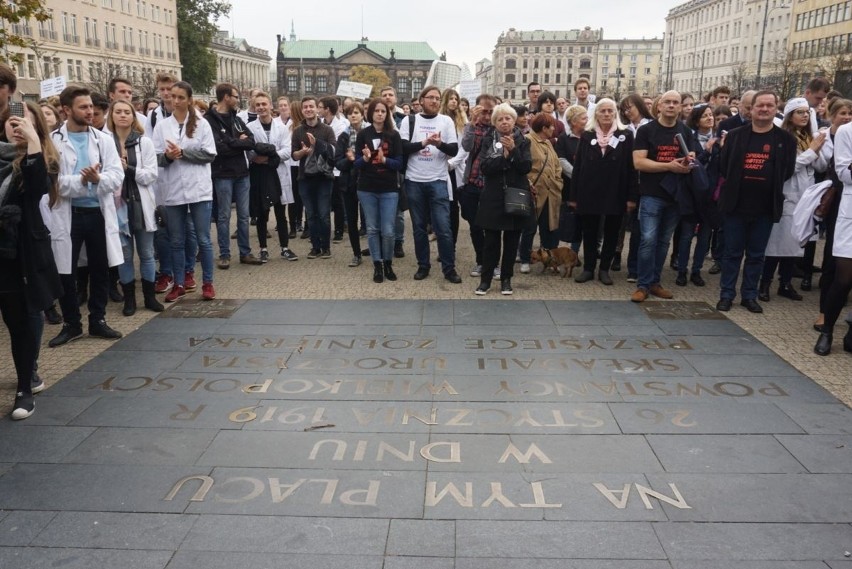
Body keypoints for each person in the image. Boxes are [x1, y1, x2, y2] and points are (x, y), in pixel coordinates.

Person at [47, 86, 125, 347]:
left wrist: (98, 179)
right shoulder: (53, 140)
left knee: (100, 268)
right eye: (83, 107)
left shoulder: (103, 139)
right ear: (66, 110)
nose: (90, 111)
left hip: (98, 214)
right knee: (66, 271)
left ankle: (98, 320)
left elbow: (116, 176)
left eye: (91, 106)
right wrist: (85, 182)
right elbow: (53, 182)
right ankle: (72, 324)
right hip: (68, 214)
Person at [1, 104, 63, 419]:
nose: (16, 124)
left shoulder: (43, 159)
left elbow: (38, 186)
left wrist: (33, 143)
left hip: (17, 254)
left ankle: (25, 387)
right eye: (11, 119)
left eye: (23, 119)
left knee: (20, 324)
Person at [715, 90, 797, 313]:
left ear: (776, 109)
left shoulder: (786, 140)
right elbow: (724, 166)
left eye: (769, 106)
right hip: (736, 205)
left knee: (756, 255)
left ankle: (749, 295)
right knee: (732, 253)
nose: (764, 109)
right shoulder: (735, 136)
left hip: (765, 207)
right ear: (751, 109)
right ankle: (726, 294)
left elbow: (787, 171)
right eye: (760, 105)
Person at [152, 81, 218, 302]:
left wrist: (183, 153)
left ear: (189, 99)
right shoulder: (162, 126)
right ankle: (179, 283)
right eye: (172, 96)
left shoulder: (202, 124)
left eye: (181, 97)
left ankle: (207, 282)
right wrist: (169, 157)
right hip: (173, 190)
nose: (176, 101)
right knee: (177, 240)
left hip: (199, 189)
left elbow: (210, 154)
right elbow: (155, 158)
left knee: (203, 239)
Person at [631, 90, 697, 303]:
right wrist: (669, 166)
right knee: (648, 240)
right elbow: (639, 162)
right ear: (658, 106)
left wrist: (688, 162)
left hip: (676, 195)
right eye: (666, 102)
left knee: (663, 242)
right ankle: (642, 284)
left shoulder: (686, 132)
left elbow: (693, 160)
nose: (671, 105)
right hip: (652, 194)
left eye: (675, 102)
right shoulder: (646, 130)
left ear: (680, 107)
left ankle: (654, 282)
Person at [759, 98, 828, 302]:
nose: (805, 115)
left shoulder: (809, 137)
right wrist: (811, 151)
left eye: (807, 112)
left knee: (796, 243)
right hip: (786, 194)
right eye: (800, 112)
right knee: (777, 243)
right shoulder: (782, 138)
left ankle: (786, 283)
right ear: (790, 115)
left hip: (805, 197)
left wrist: (817, 147)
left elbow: (821, 167)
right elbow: (787, 169)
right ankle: (765, 283)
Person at [570, 98, 635, 285]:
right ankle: (589, 268)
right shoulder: (587, 135)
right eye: (603, 111)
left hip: (616, 191)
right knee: (589, 232)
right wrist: (574, 197)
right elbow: (578, 167)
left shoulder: (626, 135)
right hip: (589, 191)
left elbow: (631, 168)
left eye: (610, 111)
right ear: (596, 114)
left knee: (612, 232)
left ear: (615, 113)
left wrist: (631, 197)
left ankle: (604, 269)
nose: (606, 114)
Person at [399, 85, 462, 283]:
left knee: (443, 227)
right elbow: (403, 148)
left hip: (438, 180)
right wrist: (424, 143)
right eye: (430, 98)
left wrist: (438, 144)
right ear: (422, 100)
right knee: (418, 227)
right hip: (414, 180)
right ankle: (423, 265)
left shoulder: (446, 121)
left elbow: (453, 149)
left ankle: (449, 268)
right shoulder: (410, 121)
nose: (434, 101)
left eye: (437, 98)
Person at [108, 100, 163, 316]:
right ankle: (129, 299)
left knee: (147, 253)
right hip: (117, 206)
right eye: (118, 112)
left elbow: (150, 175)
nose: (122, 115)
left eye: (127, 112)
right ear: (111, 116)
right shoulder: (105, 142)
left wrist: (128, 169)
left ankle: (149, 297)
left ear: (133, 116)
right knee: (125, 254)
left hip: (141, 203)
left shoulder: (144, 143)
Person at [473, 103, 531, 296]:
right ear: (495, 122)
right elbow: (485, 167)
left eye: (508, 118)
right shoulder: (488, 139)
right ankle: (486, 280)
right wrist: (504, 158)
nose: (504, 122)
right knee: (491, 242)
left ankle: (506, 279)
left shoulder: (523, 140)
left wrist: (513, 151)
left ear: (514, 121)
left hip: (515, 194)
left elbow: (525, 167)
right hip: (493, 196)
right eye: (500, 119)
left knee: (512, 241)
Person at [206, 82, 261, 268]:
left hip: (242, 173)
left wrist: (233, 143)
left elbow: (251, 141)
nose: (238, 100)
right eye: (235, 96)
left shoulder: (236, 119)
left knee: (244, 215)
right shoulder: (210, 120)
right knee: (224, 216)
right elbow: (218, 148)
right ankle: (224, 254)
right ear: (226, 97)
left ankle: (245, 252)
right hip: (222, 173)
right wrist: (238, 142)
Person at [352, 99, 403, 283]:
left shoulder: (394, 135)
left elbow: (399, 163)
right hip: (367, 188)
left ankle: (388, 262)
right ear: (370, 113)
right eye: (376, 111)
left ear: (387, 114)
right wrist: (365, 159)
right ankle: (377, 264)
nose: (380, 114)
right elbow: (356, 164)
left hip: (389, 188)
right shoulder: (363, 134)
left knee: (388, 230)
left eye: (383, 111)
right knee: (373, 228)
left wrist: (384, 161)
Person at [246, 92, 297, 264]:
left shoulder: (281, 128)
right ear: (255, 107)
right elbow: (249, 151)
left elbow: (286, 151)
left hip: (277, 171)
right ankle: (263, 249)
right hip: (260, 174)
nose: (261, 107)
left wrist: (268, 156)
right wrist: (259, 156)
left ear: (270, 106)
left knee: (280, 212)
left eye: (264, 104)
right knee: (262, 213)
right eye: (258, 104)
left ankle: (284, 247)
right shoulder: (251, 127)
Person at [815, 117, 852, 355]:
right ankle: (827, 330)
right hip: (850, 215)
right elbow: (844, 174)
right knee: (844, 278)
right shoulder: (847, 132)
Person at [675, 104, 719, 287]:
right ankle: (682, 270)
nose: (710, 118)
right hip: (691, 194)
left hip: (711, 196)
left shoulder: (719, 140)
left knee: (704, 237)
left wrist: (718, 150)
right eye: (705, 116)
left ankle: (696, 270)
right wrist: (706, 153)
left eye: (711, 115)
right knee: (686, 236)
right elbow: (691, 165)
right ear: (696, 120)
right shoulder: (689, 139)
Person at [291, 96, 337, 259]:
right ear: (302, 110)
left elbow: (334, 152)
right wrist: (303, 152)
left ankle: (326, 247)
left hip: (324, 177)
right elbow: (294, 156)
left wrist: (317, 145)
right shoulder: (298, 131)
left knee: (324, 214)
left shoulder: (327, 130)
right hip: (305, 177)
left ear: (317, 109)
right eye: (305, 107)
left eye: (311, 106)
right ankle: (315, 247)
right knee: (311, 214)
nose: (308, 109)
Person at [518, 113, 563, 273]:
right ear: (544, 128)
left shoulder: (549, 144)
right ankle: (525, 258)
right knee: (529, 228)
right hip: (534, 193)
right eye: (551, 126)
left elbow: (557, 165)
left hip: (551, 194)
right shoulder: (528, 140)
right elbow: (522, 165)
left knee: (549, 229)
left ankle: (550, 260)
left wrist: (558, 182)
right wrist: (529, 183)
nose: (554, 129)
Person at [459, 95, 497, 278]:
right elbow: (466, 147)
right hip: (473, 182)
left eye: (491, 112)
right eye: (484, 112)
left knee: (492, 226)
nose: (487, 116)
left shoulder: (500, 128)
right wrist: (472, 124)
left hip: (492, 185)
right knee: (475, 226)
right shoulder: (472, 126)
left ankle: (493, 263)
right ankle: (481, 261)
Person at [335, 101, 367, 267]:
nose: (353, 115)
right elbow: (337, 163)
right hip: (349, 182)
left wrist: (360, 159)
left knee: (371, 219)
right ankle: (356, 253)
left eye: (356, 112)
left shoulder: (370, 132)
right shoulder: (343, 136)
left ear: (362, 114)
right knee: (352, 219)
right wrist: (349, 160)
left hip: (369, 181)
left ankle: (374, 249)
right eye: (350, 113)